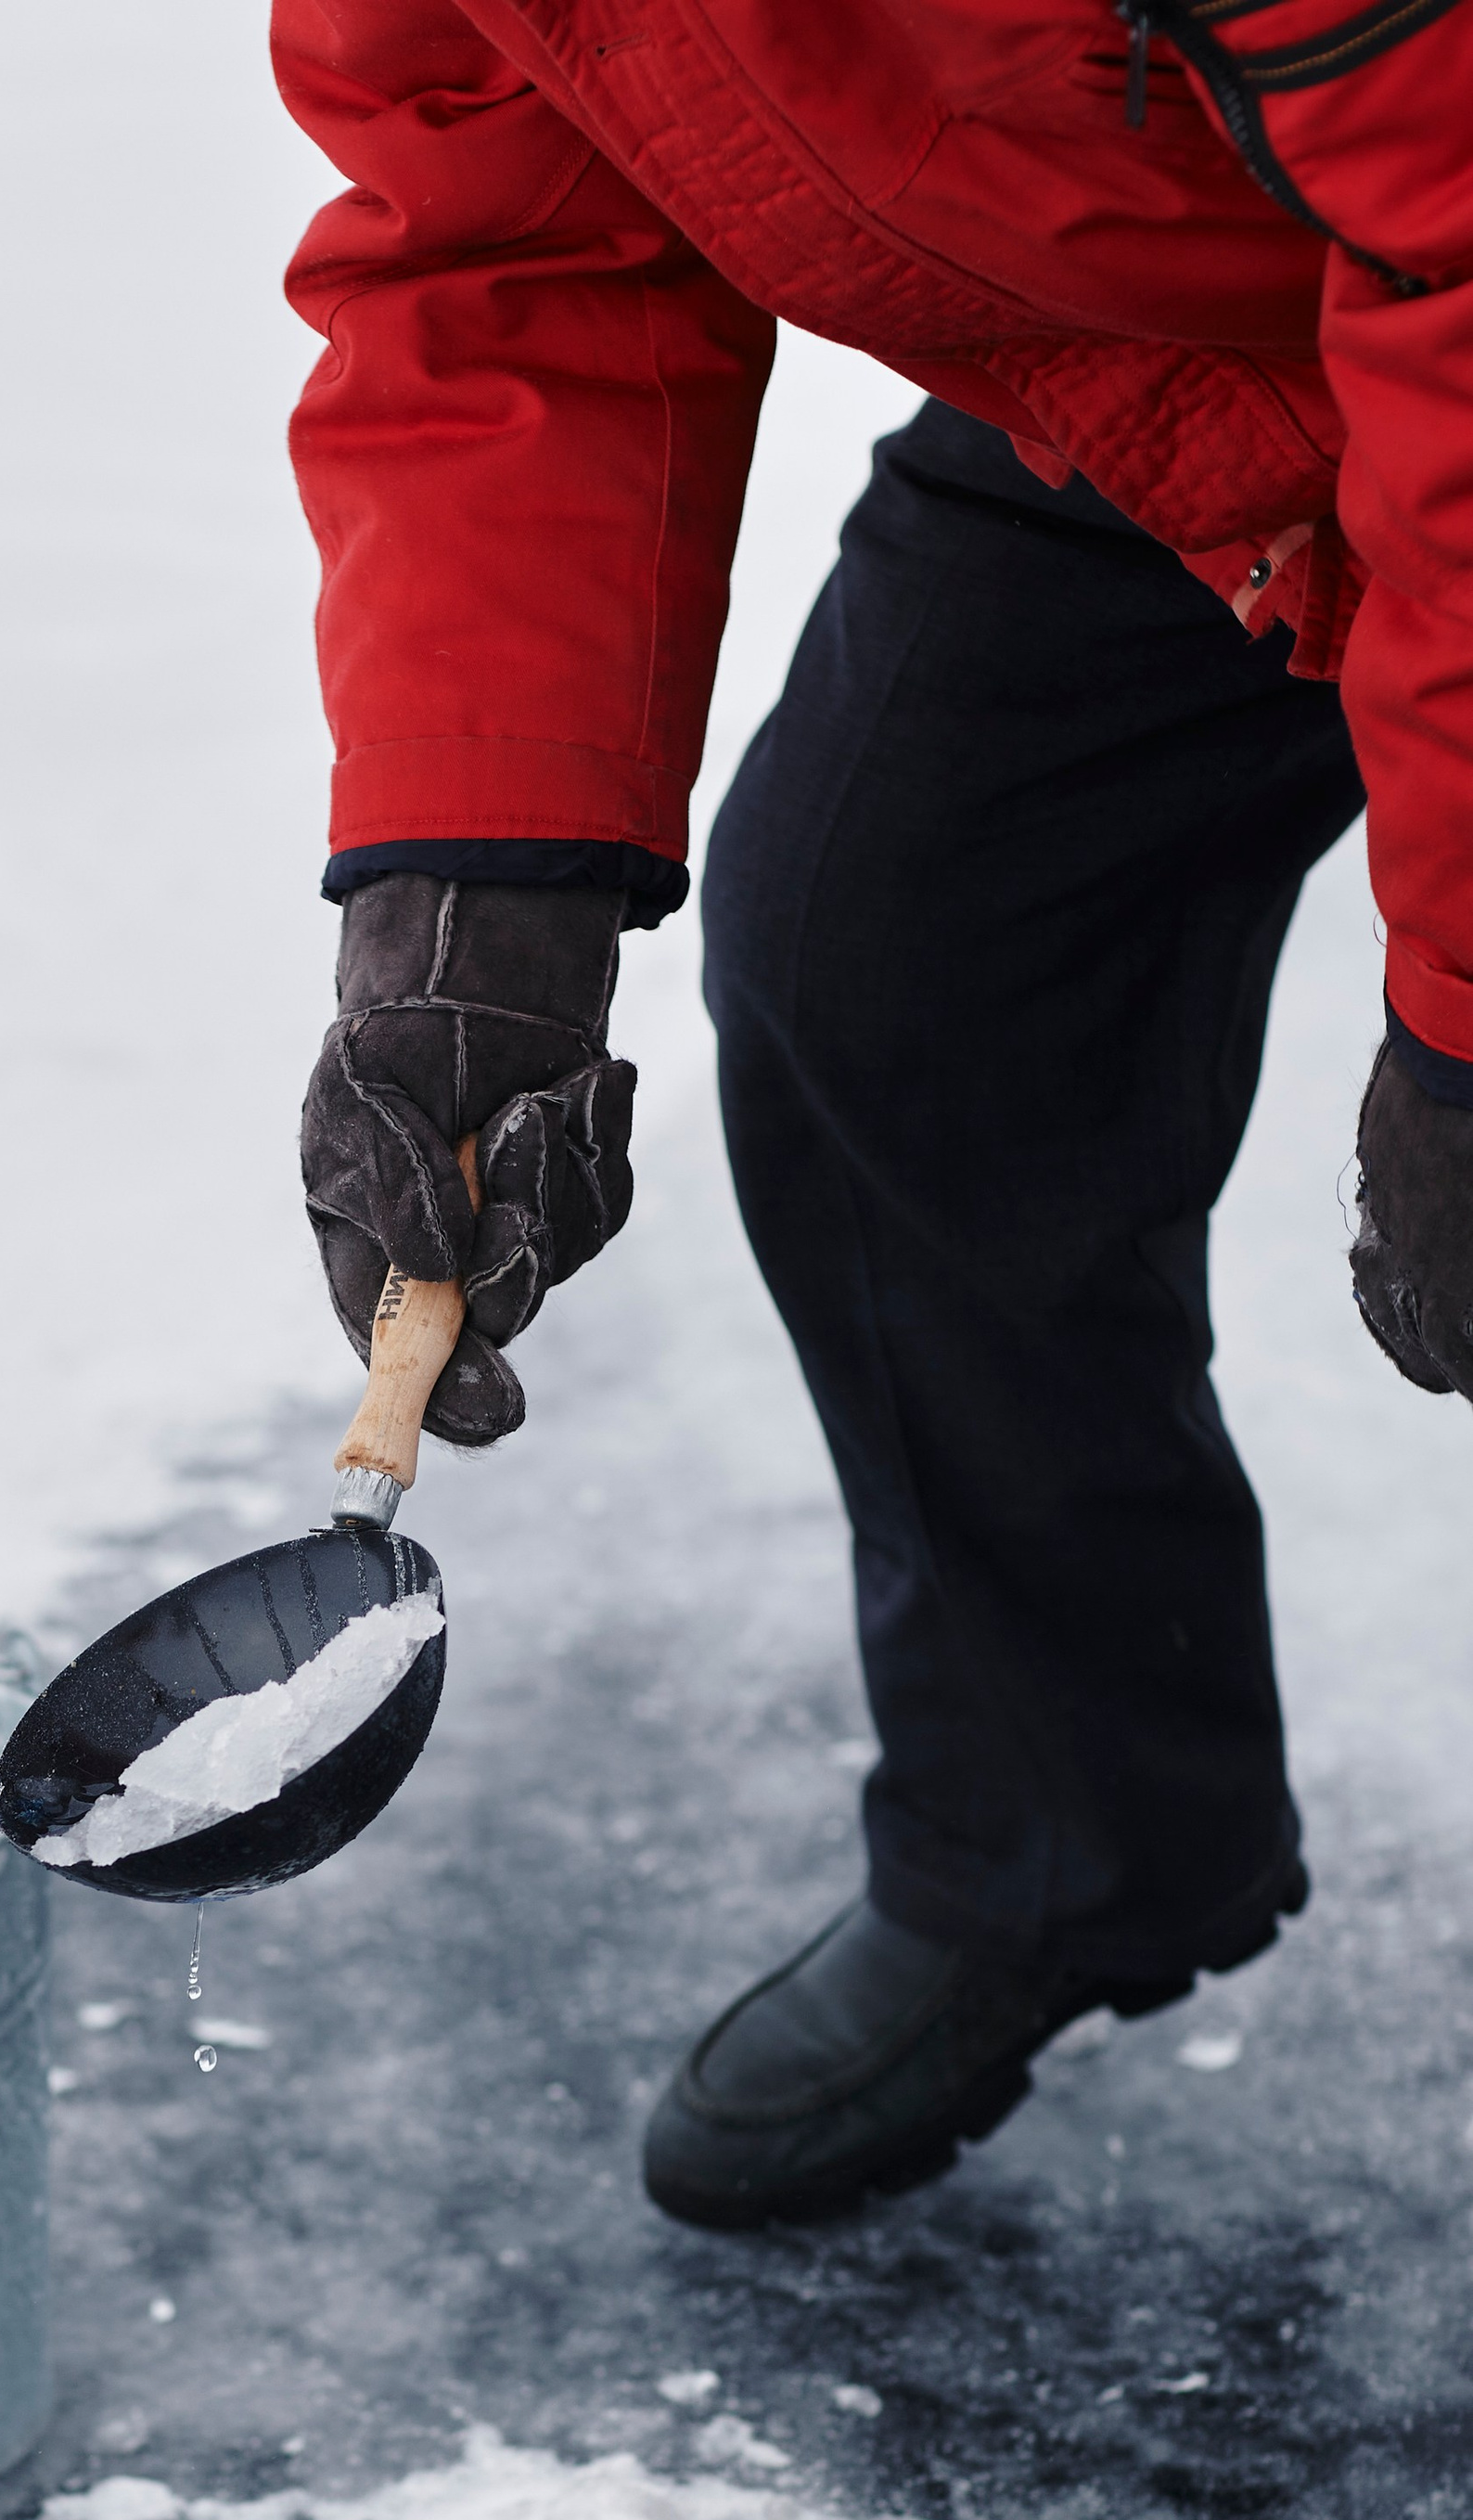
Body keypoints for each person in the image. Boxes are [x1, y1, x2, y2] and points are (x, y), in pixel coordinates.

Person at [279, 0, 1473, 2230]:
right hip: (1216, 325)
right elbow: (501, 224)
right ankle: (1058, 1830)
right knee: (891, 953)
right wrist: (475, 893)